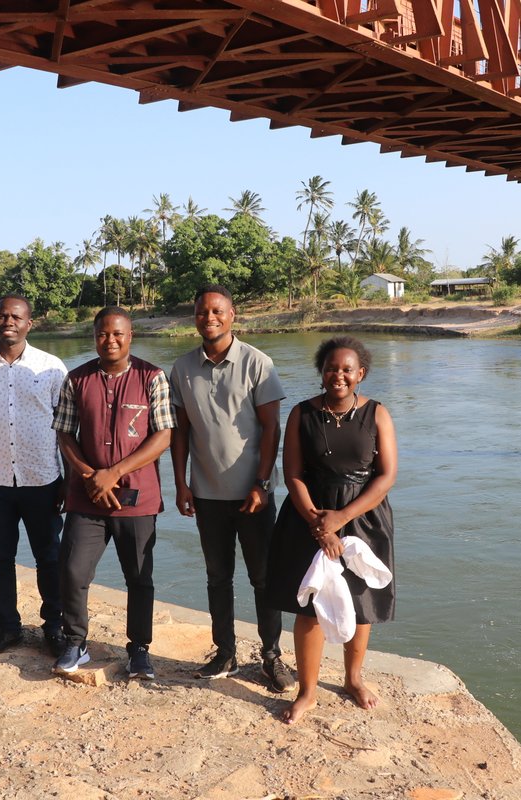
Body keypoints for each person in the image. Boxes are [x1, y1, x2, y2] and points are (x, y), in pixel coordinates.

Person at [266, 336, 397, 724]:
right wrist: (319, 525)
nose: (337, 375)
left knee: (361, 604)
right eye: (330, 368)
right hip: (308, 515)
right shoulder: (301, 414)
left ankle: (353, 679)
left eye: (346, 369)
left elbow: (386, 476)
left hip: (364, 516)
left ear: (361, 374)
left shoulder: (377, 414)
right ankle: (307, 691)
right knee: (309, 606)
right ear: (321, 372)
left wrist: (341, 519)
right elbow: (292, 474)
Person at [169, 285, 295, 692]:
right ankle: (224, 652)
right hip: (206, 494)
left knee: (264, 579)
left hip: (253, 496)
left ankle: (271, 656)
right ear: (195, 317)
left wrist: (262, 483)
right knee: (217, 577)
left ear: (232, 315)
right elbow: (181, 431)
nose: (210, 317)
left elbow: (271, 427)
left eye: (218, 311)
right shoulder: (182, 368)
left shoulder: (258, 363)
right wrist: (181, 484)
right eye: (203, 311)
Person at [51, 307, 175, 679]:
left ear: (131, 335)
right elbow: (64, 434)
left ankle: (139, 649)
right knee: (72, 571)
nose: (111, 340)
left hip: (137, 497)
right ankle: (75, 642)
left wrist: (115, 473)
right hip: (85, 496)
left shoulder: (152, 377)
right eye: (103, 334)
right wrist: (91, 475)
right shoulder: (77, 379)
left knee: (139, 576)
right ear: (95, 337)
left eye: (118, 334)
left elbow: (164, 434)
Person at [0, 295, 67, 657]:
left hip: (43, 479)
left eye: (16, 316)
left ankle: (55, 626)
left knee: (49, 558)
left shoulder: (52, 368)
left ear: (29, 324)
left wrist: (69, 479)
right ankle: (7, 628)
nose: (9, 321)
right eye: (2, 315)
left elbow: (67, 428)